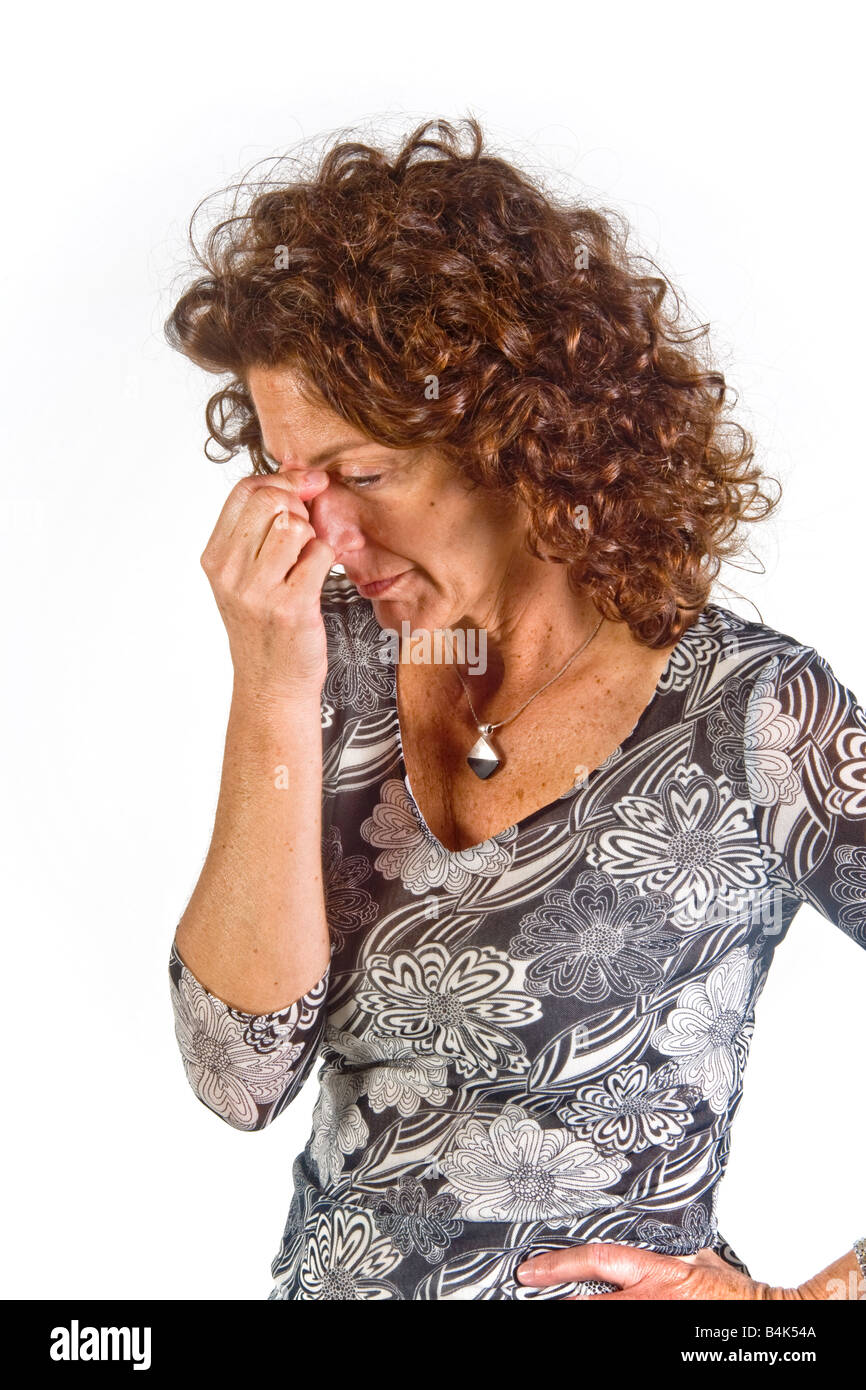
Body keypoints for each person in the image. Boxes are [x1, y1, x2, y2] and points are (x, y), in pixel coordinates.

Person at [164, 116, 866, 1301]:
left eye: (365, 474)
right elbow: (238, 1076)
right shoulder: (322, 660)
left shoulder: (753, 713)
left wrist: (800, 1311)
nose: (322, 535)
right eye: (293, 480)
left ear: (517, 440)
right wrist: (272, 689)